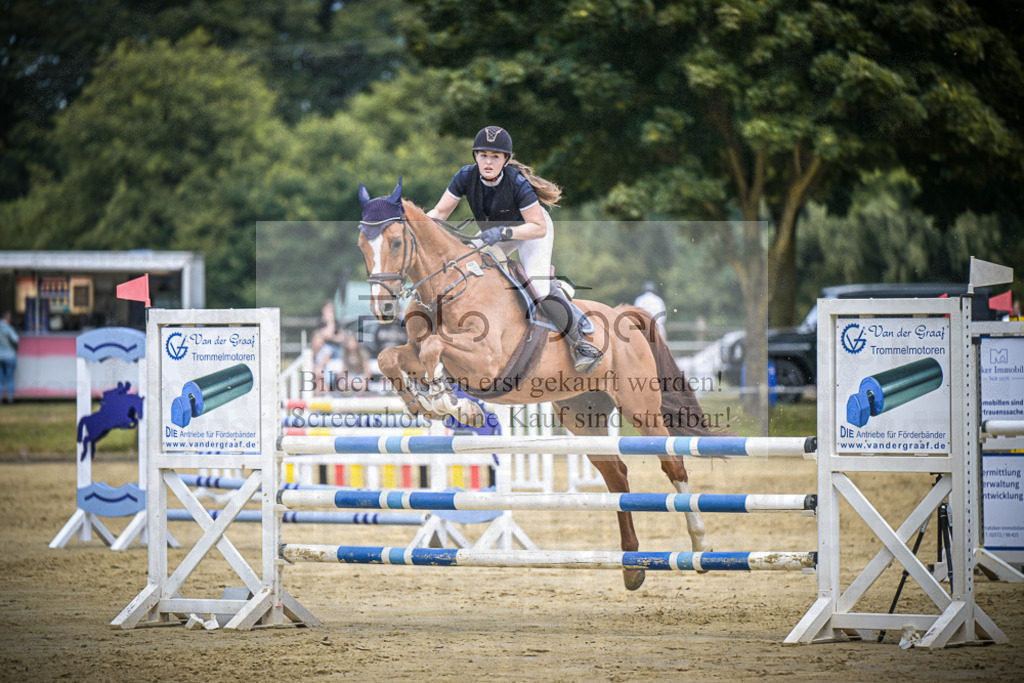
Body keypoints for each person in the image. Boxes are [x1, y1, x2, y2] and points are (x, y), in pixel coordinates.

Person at [427, 126, 602, 373]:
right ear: (475, 156)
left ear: (506, 160)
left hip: (530, 231)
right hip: (496, 233)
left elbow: (538, 227)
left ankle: (580, 342)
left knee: (538, 286)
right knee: (460, 266)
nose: (488, 162)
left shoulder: (517, 183)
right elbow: (440, 212)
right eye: (483, 155)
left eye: (495, 156)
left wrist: (505, 232)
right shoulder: (465, 176)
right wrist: (416, 224)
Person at [0, 311, 19, 404]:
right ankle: (10, 399)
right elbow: (16, 339)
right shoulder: (9, 328)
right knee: (10, 379)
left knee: (0, 380)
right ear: (7, 319)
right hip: (10, 356)